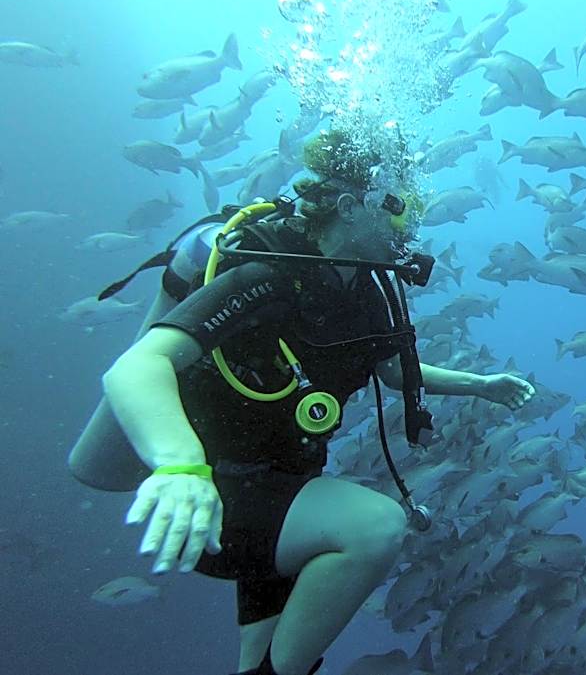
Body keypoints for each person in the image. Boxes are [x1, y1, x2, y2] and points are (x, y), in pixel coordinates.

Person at [84, 129, 536, 675]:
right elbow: (137, 366)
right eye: (396, 208)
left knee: (260, 655)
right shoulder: (268, 274)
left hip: (277, 488)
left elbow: (394, 372)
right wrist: (181, 467)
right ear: (349, 207)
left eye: (413, 208)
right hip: (209, 499)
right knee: (374, 527)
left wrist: (481, 385)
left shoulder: (368, 292)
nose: (409, 224)